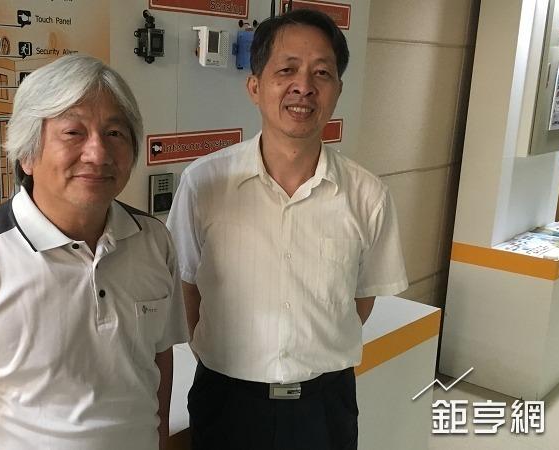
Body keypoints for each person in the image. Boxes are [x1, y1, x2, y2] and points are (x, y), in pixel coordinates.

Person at [0, 54, 188, 450]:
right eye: (73, 132)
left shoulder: (154, 240)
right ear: (28, 154)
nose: (98, 153)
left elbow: (158, 359)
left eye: (114, 133)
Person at [166, 9, 408, 450]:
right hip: (227, 401)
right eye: (286, 70)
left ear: (337, 90)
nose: (304, 86)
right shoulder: (203, 184)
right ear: (255, 87)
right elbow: (187, 286)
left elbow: (361, 298)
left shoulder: (367, 195)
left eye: (322, 73)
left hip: (325, 405)